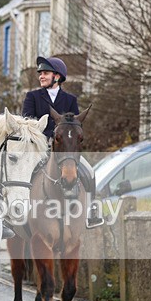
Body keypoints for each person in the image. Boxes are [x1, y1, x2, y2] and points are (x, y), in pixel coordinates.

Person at [22, 56, 100, 227]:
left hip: (65, 149)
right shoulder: (32, 97)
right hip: (40, 147)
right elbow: (27, 124)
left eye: (45, 73)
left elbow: (76, 126)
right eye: (40, 73)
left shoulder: (70, 99)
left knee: (89, 171)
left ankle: (91, 212)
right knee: (21, 172)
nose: (41, 76)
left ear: (56, 77)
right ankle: (18, 211)